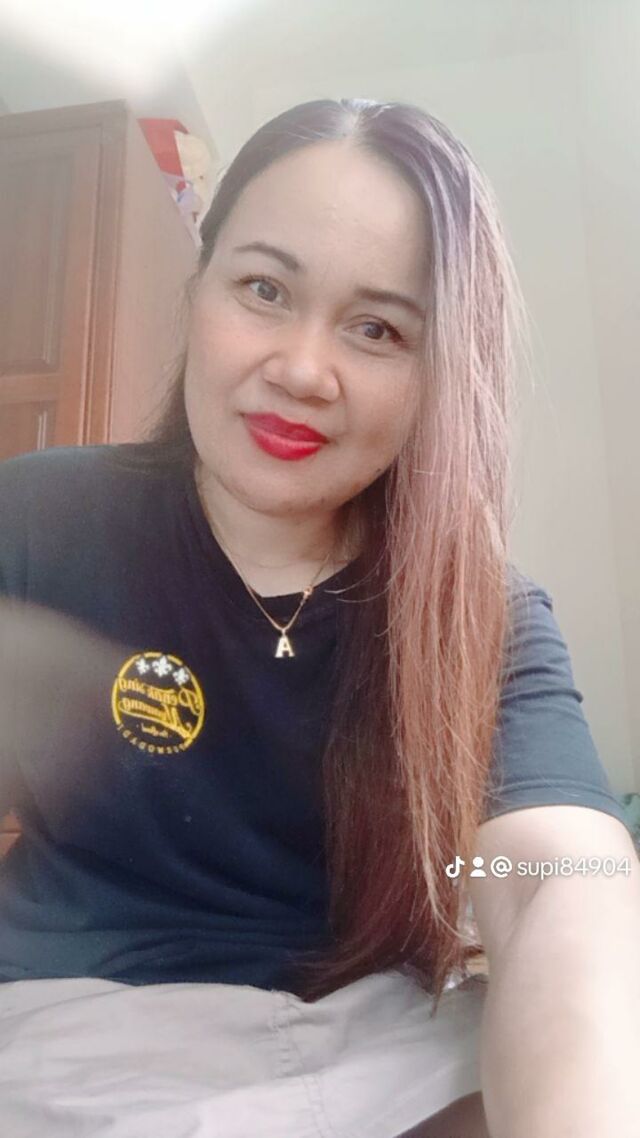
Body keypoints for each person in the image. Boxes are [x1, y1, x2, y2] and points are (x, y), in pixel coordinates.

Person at [0, 97, 637, 1138]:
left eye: (378, 328)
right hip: (65, 1037)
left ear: (439, 374)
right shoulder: (38, 519)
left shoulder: (485, 611)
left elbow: (554, 883)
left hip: (387, 1056)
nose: (301, 370)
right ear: (198, 288)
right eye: (264, 289)